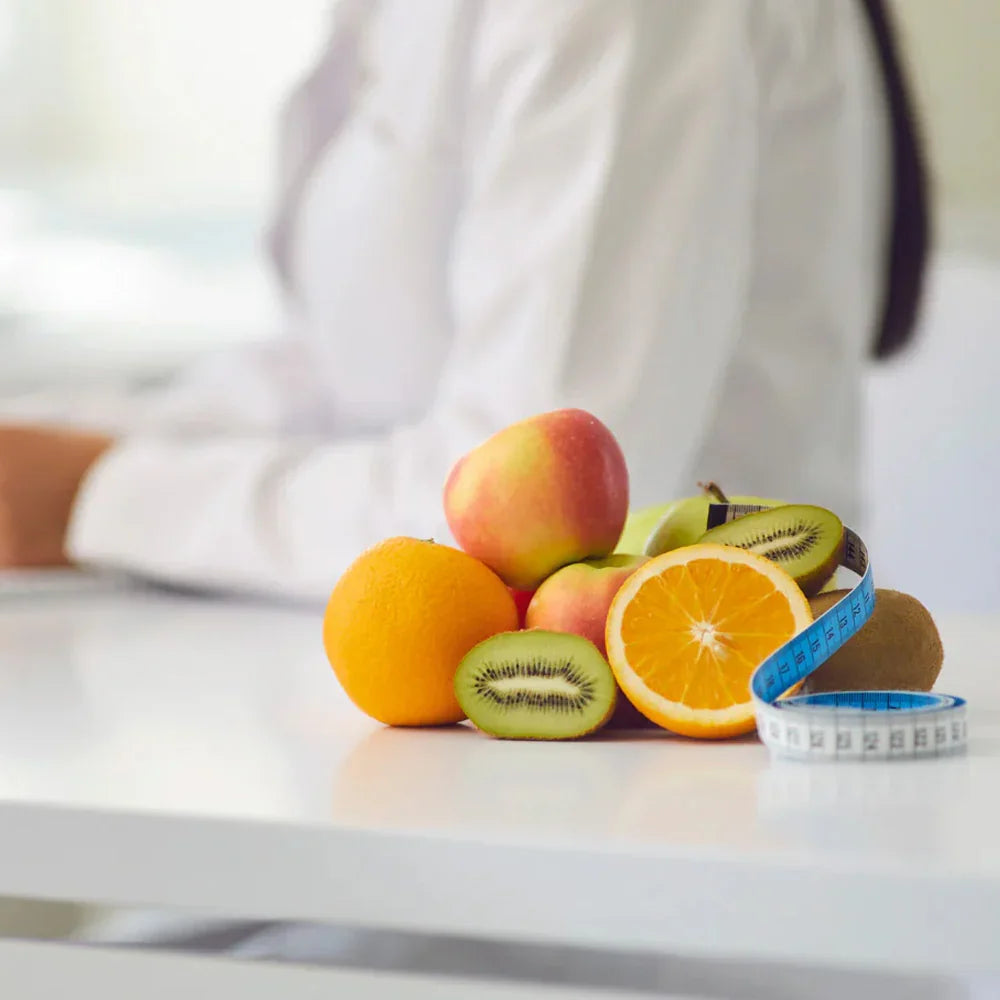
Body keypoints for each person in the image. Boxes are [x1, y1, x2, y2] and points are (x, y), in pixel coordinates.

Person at [0, 0, 928, 601]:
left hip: (658, 768)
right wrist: (61, 446)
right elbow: (349, 371)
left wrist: (101, 497)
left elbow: (547, 526)